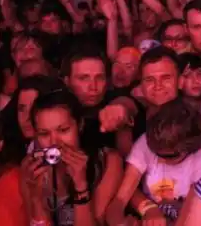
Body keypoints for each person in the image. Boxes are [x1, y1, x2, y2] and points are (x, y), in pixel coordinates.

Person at [106, 98, 201, 225]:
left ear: (189, 147)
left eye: (169, 156)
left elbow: (192, 212)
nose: (159, 160)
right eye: (155, 152)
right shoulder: (145, 142)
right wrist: (147, 208)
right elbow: (119, 200)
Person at [20, 89, 123, 225]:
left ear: (80, 125)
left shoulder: (107, 161)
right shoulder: (31, 168)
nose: (54, 142)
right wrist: (36, 199)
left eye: (63, 130)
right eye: (44, 134)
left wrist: (81, 186)